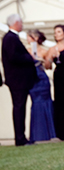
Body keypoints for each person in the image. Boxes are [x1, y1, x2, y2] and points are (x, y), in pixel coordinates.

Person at [2, 14, 38, 146]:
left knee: (20, 107)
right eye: (21, 22)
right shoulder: (10, 38)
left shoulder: (11, 38)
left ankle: (21, 136)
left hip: (19, 80)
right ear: (15, 23)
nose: (22, 25)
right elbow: (13, 57)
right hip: (17, 81)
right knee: (19, 107)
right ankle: (20, 138)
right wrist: (29, 58)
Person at [25, 30, 56, 142]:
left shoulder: (44, 51)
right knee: (35, 103)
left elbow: (48, 67)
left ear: (36, 38)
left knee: (45, 102)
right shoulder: (26, 51)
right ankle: (37, 134)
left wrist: (48, 58)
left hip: (42, 79)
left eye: (29, 36)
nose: (28, 39)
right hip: (32, 80)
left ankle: (49, 133)